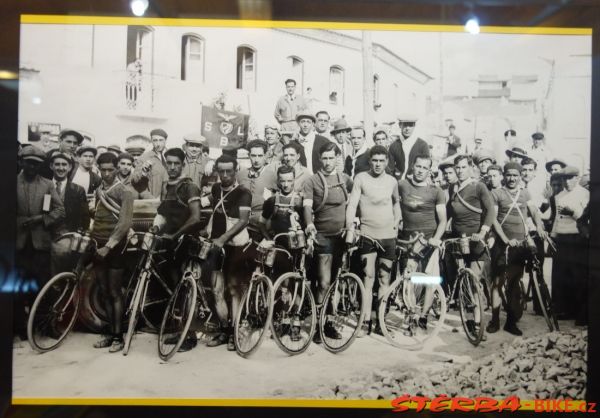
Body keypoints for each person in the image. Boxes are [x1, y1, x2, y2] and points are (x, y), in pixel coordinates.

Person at [151, 147, 203, 352]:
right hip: (171, 242)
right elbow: (164, 213)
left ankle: (189, 336)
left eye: (176, 164)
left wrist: (176, 235)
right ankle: (179, 330)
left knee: (186, 289)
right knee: (174, 287)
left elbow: (196, 217)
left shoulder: (189, 187)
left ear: (183, 165)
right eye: (169, 163)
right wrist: (157, 227)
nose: (172, 167)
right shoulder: (168, 186)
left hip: (186, 242)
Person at [346, 146, 401, 336]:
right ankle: (365, 321)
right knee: (367, 279)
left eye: (381, 161)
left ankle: (381, 322)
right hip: (368, 236)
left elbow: (396, 202)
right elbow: (352, 204)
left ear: (387, 162)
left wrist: (396, 221)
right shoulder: (361, 178)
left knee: (384, 278)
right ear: (370, 160)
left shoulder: (392, 181)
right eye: (375, 160)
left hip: (388, 237)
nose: (378, 164)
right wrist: (350, 226)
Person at [488, 162, 547, 336]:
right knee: (497, 283)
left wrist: (539, 226)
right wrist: (505, 239)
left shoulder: (525, 193)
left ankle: (511, 322)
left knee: (514, 283)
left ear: (520, 176)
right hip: (502, 245)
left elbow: (534, 210)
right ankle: (495, 319)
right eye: (509, 175)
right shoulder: (496, 193)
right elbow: (494, 220)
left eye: (515, 175)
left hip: (519, 245)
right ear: (504, 176)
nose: (512, 178)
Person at [303, 142, 353, 343]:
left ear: (337, 159)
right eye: (324, 158)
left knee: (333, 283)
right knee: (323, 282)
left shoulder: (346, 180)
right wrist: (309, 225)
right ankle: (317, 326)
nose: (327, 162)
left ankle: (329, 323)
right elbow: (307, 207)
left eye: (331, 158)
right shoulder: (312, 181)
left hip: (341, 237)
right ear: (319, 159)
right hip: (322, 236)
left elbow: (354, 204)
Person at [202, 154, 252, 351]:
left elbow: (244, 220)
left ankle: (235, 330)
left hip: (235, 245)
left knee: (233, 288)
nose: (224, 175)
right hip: (217, 244)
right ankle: (224, 330)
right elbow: (212, 205)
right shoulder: (215, 188)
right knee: (216, 289)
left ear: (236, 169)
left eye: (228, 171)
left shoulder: (243, 193)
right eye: (220, 171)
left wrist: (223, 238)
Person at [15, 146, 65, 340]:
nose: (32, 167)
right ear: (21, 162)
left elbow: (60, 211)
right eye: (29, 162)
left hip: (40, 245)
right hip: (17, 246)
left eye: (36, 164)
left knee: (43, 287)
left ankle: (44, 326)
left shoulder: (47, 185)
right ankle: (19, 329)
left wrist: (40, 220)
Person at [397, 154, 447, 330]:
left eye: (425, 168)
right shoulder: (402, 185)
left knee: (431, 280)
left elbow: (442, 220)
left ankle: (424, 315)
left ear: (429, 170)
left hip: (429, 241)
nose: (420, 171)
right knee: (409, 280)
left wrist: (436, 239)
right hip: (409, 240)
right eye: (418, 166)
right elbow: (394, 206)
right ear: (413, 166)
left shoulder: (436, 191)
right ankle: (410, 314)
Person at [90, 152, 134, 352]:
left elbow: (125, 223)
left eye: (110, 169)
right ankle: (109, 333)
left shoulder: (125, 191)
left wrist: (109, 246)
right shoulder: (98, 189)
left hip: (115, 246)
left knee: (115, 292)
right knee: (104, 291)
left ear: (117, 168)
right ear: (98, 168)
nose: (106, 173)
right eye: (103, 169)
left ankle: (118, 337)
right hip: (96, 242)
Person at [447, 154, 495, 335]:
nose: (459, 171)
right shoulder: (453, 187)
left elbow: (490, 210)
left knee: (475, 280)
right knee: (463, 279)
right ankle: (467, 313)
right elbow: (448, 212)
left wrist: (483, 232)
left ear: (471, 168)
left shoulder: (479, 186)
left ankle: (477, 321)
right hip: (459, 239)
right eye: (457, 168)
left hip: (476, 239)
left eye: (463, 167)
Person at [550, 166, 589, 326]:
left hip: (577, 239)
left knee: (578, 277)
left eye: (570, 178)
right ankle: (566, 310)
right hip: (562, 240)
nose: (566, 182)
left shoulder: (584, 194)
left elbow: (586, 219)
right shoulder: (559, 195)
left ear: (577, 178)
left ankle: (582, 314)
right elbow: (557, 219)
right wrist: (552, 237)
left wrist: (572, 212)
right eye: (564, 179)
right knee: (562, 277)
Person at [49, 152, 91, 275]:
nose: (61, 168)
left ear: (70, 167)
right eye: (57, 164)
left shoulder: (77, 190)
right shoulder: (44, 185)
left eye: (64, 164)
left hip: (67, 237)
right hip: (44, 235)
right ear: (51, 166)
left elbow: (85, 218)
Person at [236, 140, 277, 230]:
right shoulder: (241, 174)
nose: (256, 160)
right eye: (253, 156)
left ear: (265, 156)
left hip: (263, 221)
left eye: (260, 156)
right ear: (249, 156)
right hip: (241, 220)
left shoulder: (273, 175)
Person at [388, 115, 430, 180]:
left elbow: (426, 167)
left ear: (414, 126)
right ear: (400, 125)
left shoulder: (422, 145)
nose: (407, 128)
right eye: (404, 125)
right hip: (398, 182)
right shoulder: (394, 146)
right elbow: (390, 168)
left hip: (415, 183)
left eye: (410, 125)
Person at [132, 128, 169, 198]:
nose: (158, 144)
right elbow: (134, 180)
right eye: (155, 140)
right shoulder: (144, 158)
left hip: (169, 200)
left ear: (165, 141)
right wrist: (142, 172)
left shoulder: (171, 156)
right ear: (151, 141)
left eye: (161, 140)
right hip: (152, 199)